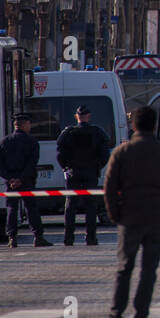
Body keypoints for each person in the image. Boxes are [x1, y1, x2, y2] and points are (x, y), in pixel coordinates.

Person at [101, 107, 160, 318]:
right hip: (158, 218)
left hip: (129, 217)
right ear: (154, 125)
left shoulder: (122, 152)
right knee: (149, 270)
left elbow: (109, 188)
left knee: (124, 268)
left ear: (134, 126)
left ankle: (115, 317)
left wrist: (115, 214)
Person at [0, 112, 52, 248]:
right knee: (31, 208)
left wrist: (11, 179)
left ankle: (12, 238)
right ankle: (38, 237)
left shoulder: (2, 143)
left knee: (11, 209)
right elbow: (32, 163)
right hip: (27, 181)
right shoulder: (32, 142)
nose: (30, 126)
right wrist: (21, 178)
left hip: (11, 183)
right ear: (24, 125)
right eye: (29, 124)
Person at [56, 104, 110, 246]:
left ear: (76, 117)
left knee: (70, 205)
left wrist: (65, 168)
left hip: (73, 172)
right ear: (89, 116)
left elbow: (60, 153)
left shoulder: (68, 132)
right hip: (90, 172)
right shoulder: (97, 132)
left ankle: (68, 238)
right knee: (91, 206)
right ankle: (91, 238)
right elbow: (105, 153)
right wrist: (97, 166)